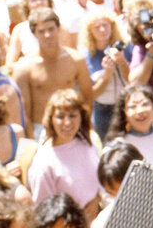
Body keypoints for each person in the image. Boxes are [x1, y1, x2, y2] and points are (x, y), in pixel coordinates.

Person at [12, 9, 93, 138]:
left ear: (58, 29)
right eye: (41, 31)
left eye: (51, 29)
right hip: (40, 129)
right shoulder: (24, 67)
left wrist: (84, 126)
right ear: (34, 34)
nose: (47, 35)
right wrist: (30, 139)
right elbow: (23, 111)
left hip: (71, 125)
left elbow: (87, 97)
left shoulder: (76, 59)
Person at [26, 89, 100, 225]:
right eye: (60, 116)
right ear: (51, 119)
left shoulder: (88, 143)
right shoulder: (43, 163)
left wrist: (96, 200)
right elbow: (45, 212)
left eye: (72, 116)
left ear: (81, 117)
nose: (67, 122)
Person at [79, 10, 131, 142]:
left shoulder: (125, 47)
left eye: (106, 25)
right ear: (90, 31)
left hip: (127, 104)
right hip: (103, 110)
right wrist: (106, 75)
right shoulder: (85, 56)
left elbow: (134, 80)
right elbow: (91, 95)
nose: (102, 30)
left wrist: (122, 62)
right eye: (97, 27)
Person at [104, 85, 153, 166]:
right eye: (132, 107)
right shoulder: (118, 145)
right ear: (124, 114)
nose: (140, 111)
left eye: (145, 104)